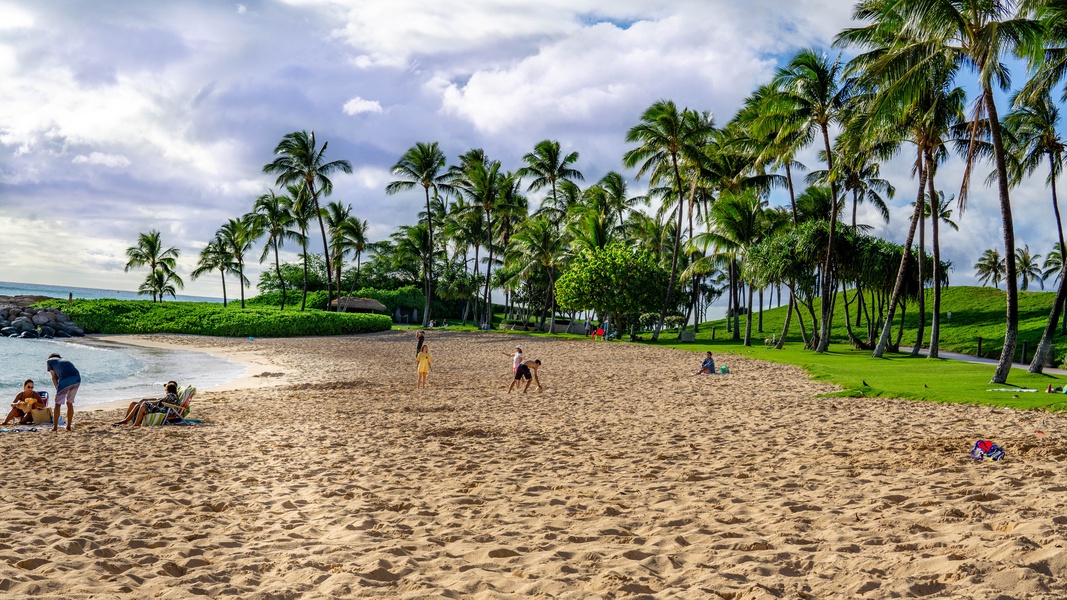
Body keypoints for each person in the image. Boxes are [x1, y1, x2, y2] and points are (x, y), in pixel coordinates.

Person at [113, 381, 179, 426]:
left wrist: (147, 401)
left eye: (166, 389)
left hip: (163, 411)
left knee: (144, 404)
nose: (165, 391)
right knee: (137, 404)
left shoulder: (171, 395)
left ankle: (133, 423)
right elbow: (160, 401)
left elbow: (159, 402)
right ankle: (127, 420)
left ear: (168, 389)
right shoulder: (172, 395)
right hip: (163, 409)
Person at [47, 353, 80, 431]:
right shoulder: (64, 360)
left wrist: (57, 389)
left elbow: (54, 377)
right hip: (77, 378)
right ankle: (68, 426)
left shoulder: (50, 361)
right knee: (69, 402)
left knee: (57, 403)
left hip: (66, 379)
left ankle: (54, 427)